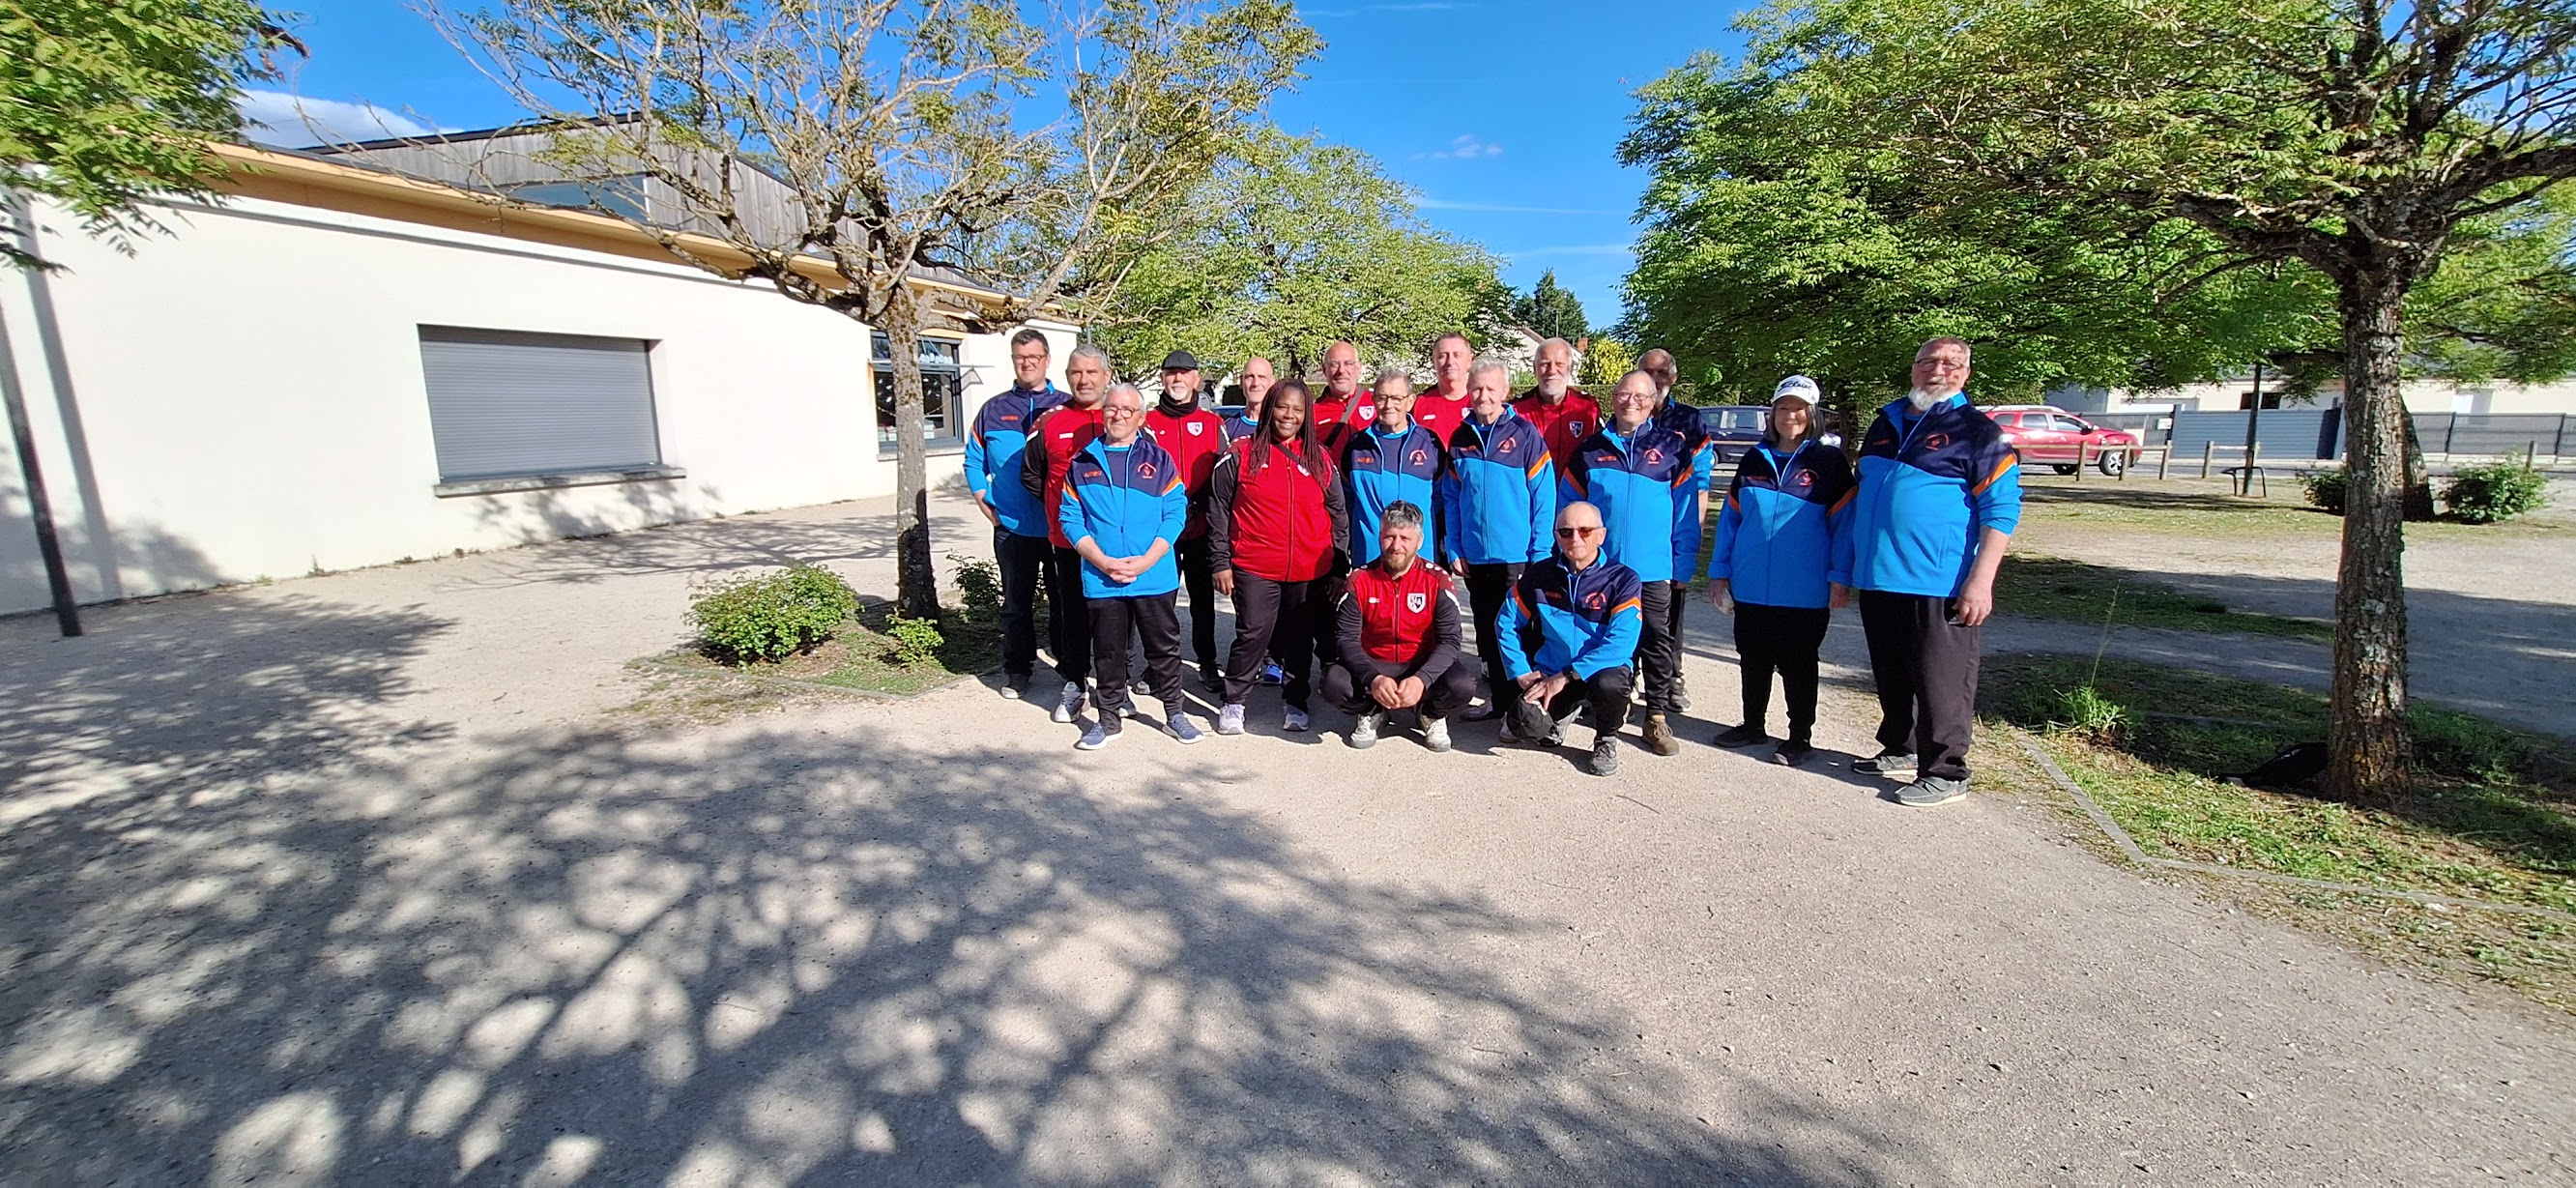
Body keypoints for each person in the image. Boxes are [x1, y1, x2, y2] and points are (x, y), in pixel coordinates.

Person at [1838, 336, 2021, 807]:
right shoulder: (1885, 422)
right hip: (1880, 574)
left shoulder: (1978, 432)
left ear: (1966, 374)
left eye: (1951, 364)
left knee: (1941, 680)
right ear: (1913, 368)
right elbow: (1862, 495)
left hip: (1939, 580)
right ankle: (1900, 747)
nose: (1938, 371)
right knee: (1892, 671)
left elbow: (2001, 510)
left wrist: (1981, 581)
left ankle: (1947, 770)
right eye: (1928, 362)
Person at [1708, 375, 1855, 767]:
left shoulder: (1829, 462)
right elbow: (1731, 520)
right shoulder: (1754, 459)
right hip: (1751, 582)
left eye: (1799, 409)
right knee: (1752, 657)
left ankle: (1799, 737)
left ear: (1813, 414)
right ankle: (1752, 725)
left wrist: (1840, 576)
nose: (1790, 415)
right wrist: (1720, 570)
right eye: (1783, 408)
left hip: (1804, 587)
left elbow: (1844, 526)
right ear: (1772, 413)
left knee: (1799, 664)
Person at [1559, 369, 1700, 757]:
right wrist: (1570, 550)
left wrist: (1683, 563)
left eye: (1640, 396)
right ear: (1614, 398)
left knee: (1655, 641)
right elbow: (1568, 504)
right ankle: (1604, 703)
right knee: (1601, 636)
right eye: (1623, 394)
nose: (1631, 402)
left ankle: (1656, 715)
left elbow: (1686, 512)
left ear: (1653, 401)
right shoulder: (1590, 449)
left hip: (1652, 569)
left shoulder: (1672, 447)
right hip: (1601, 569)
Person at [1057, 384, 1203, 749]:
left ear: (1140, 418)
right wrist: (1102, 561)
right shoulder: (1082, 462)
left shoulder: (1160, 459)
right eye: (1112, 408)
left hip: (1153, 576)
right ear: (1103, 412)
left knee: (1164, 651)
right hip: (1102, 578)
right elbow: (1070, 519)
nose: (1118, 415)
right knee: (1108, 654)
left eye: (1127, 410)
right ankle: (1108, 721)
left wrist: (1148, 560)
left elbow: (1175, 513)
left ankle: (1175, 714)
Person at [1208, 378, 1350, 735]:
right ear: (1269, 409)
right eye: (1282, 407)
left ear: (1306, 415)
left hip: (1309, 569)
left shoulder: (1319, 459)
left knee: (1299, 638)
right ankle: (1234, 701)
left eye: (1297, 409)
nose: (1289, 415)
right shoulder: (1241, 453)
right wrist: (1220, 562)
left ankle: (1295, 700)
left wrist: (1339, 567)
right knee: (1252, 633)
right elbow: (1218, 509)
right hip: (1255, 566)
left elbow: (1338, 513)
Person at [1438, 358, 1554, 728]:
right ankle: (1500, 703)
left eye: (1491, 388)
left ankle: (1525, 710)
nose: (1483, 395)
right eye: (1477, 388)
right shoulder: (1460, 438)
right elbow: (1451, 497)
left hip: (1517, 557)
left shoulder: (1525, 434)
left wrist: (1540, 553)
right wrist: (1454, 546)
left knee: (1519, 634)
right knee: (1488, 632)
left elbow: (1544, 497)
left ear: (1505, 391)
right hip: (1476, 557)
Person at [1497, 501, 1642, 776]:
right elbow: (1506, 622)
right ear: (1556, 536)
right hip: (1551, 670)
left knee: (1611, 685)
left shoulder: (1624, 579)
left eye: (1585, 531)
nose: (1575, 538)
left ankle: (1606, 738)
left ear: (1601, 535)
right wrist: (1521, 672)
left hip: (1600, 670)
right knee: (1520, 728)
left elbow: (1620, 644)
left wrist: (1566, 676)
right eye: (1566, 532)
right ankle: (1563, 713)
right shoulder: (1539, 575)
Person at [962, 328, 1064, 695]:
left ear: (1046, 360)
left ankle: (1070, 671)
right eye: (1021, 358)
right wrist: (983, 500)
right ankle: (1018, 670)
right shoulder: (993, 409)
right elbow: (973, 461)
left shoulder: (1066, 407)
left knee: (1065, 603)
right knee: (1016, 605)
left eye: (1034, 357)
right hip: (1012, 526)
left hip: (1060, 527)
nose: (1027, 363)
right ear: (1013, 361)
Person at [1326, 500, 1474, 752]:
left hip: (1420, 661)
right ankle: (1372, 711)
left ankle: (1430, 714)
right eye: (1389, 537)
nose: (1396, 546)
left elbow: (1450, 641)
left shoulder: (1437, 580)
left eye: (1405, 538)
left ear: (1419, 541)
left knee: (1462, 685)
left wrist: (1422, 679)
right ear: (1380, 537)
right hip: (1375, 662)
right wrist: (1372, 678)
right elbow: (1345, 639)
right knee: (1333, 682)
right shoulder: (1359, 580)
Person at [1021, 344, 1114, 723]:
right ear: (1067, 376)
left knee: (1113, 620)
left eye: (1092, 372)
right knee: (1072, 616)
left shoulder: (1122, 417)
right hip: (1068, 542)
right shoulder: (1050, 422)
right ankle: (1075, 684)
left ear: (1106, 376)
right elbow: (1032, 475)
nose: (1084, 380)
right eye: (1077, 372)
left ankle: (1114, 688)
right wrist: (1058, 509)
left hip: (1114, 542)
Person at [1144, 349, 1230, 688]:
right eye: (1171, 373)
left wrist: (1201, 505)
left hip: (1201, 526)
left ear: (1197, 378)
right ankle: (1158, 665)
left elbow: (1224, 475)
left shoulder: (1213, 423)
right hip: (1161, 529)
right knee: (1159, 601)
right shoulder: (1146, 423)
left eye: (1184, 373)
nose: (1177, 378)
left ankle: (1207, 663)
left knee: (1202, 601)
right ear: (1162, 378)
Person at [1635, 346, 1714, 710]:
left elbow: (1701, 482)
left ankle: (1671, 678)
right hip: (1637, 533)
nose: (1655, 379)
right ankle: (1629, 675)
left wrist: (1691, 538)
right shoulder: (1626, 412)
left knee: (1670, 612)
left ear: (1674, 378)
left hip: (1672, 530)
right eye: (1648, 371)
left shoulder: (1690, 420)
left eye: (1662, 372)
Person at [1342, 368, 1444, 565]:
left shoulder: (1430, 444)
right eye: (1382, 398)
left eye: (1397, 398)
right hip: (1369, 558)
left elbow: (1442, 498)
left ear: (1410, 401)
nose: (1389, 405)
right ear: (1374, 400)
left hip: (1419, 559)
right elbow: (1346, 500)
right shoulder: (1356, 446)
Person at [1512, 337, 1601, 476]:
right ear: (1534, 368)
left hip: (1574, 489)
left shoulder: (1589, 408)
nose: (1552, 370)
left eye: (1559, 364)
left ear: (1571, 368)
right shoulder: (1516, 409)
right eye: (1544, 364)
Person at [1312, 340, 1377, 448]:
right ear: (1324, 370)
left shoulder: (1376, 402)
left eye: (1348, 364)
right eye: (1334, 364)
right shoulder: (1312, 412)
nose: (1341, 370)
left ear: (1358, 368)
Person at [1411, 333, 1476, 439]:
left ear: (1469, 361)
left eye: (1457, 355)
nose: (1450, 362)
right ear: (1434, 362)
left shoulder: (1483, 402)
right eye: (1442, 356)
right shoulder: (1417, 404)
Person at [1221, 356, 1277, 443]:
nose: (1255, 383)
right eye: (1250, 377)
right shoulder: (1228, 428)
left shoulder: (1282, 425)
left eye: (1261, 377)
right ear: (1241, 382)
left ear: (1272, 382)